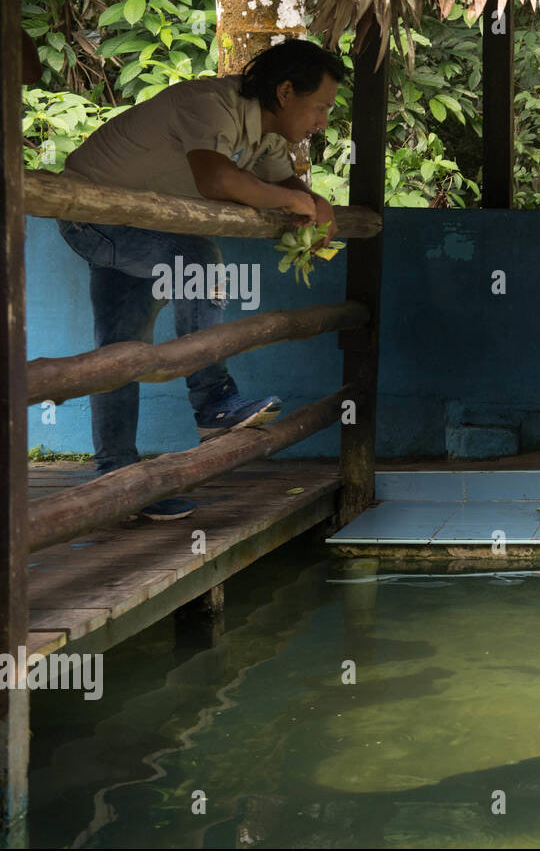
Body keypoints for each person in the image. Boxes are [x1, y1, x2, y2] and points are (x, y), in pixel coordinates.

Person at [56, 39, 345, 519]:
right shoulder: (211, 105)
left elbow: (284, 183)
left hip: (143, 224)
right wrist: (289, 202)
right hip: (91, 216)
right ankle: (213, 403)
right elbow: (217, 179)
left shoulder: (268, 134)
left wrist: (317, 203)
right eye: (320, 108)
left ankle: (117, 482)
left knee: (117, 352)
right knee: (198, 260)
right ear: (286, 90)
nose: (323, 122)